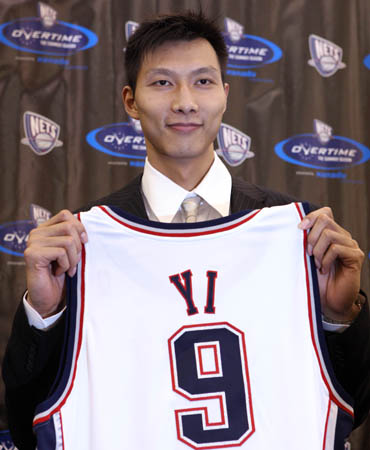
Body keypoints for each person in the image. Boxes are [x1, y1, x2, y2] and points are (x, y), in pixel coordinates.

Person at [2, 11, 369, 450]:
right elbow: (31, 420)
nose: (185, 102)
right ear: (130, 101)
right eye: (161, 83)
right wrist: (44, 314)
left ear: (225, 95)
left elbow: (347, 409)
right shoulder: (82, 246)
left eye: (203, 81)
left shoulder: (298, 234)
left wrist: (339, 319)